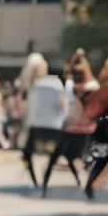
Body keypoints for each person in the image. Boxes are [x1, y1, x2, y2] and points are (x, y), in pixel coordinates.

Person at [21, 59, 70, 189]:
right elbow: (63, 107)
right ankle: (46, 176)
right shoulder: (57, 84)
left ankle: (35, 180)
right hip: (55, 125)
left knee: (27, 154)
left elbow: (31, 107)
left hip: (36, 124)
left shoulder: (35, 85)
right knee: (59, 153)